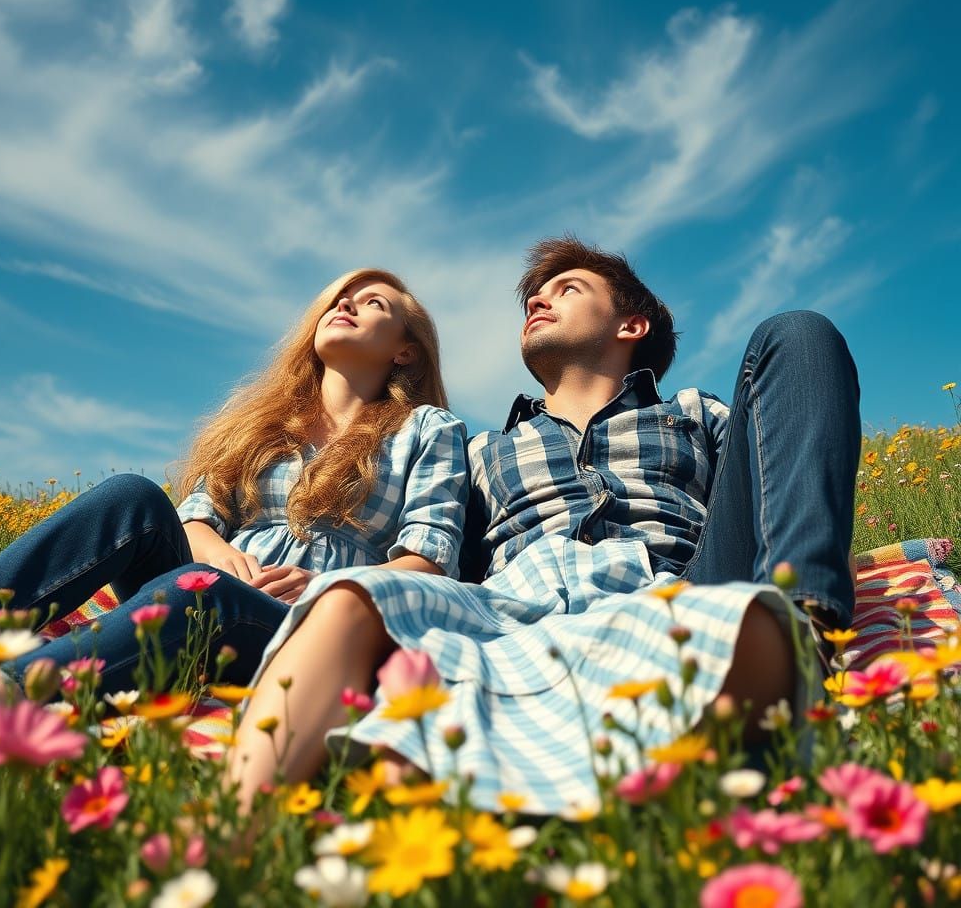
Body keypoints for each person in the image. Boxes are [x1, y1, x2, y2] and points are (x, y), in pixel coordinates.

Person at [227, 235, 860, 815]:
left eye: (568, 289)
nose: (537, 299)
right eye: (535, 294)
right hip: (518, 604)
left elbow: (772, 481)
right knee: (352, 597)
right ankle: (233, 842)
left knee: (796, 334)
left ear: (631, 325)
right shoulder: (479, 451)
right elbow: (430, 552)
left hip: (679, 585)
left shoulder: (696, 414)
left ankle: (806, 628)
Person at [0, 270, 468, 705]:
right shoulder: (265, 422)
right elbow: (196, 516)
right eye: (337, 298)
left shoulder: (428, 428)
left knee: (206, 591)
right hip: (206, 583)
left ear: (406, 351)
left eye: (373, 303)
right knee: (132, 495)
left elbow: (429, 560)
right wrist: (216, 553)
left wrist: (329, 587)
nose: (345, 304)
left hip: (304, 625)